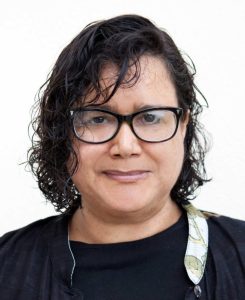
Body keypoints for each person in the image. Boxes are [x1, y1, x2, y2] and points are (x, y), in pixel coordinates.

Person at [0, 14, 244, 300]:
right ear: (61, 132)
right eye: (97, 118)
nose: (125, 146)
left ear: (183, 125)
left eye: (150, 117)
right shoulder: (7, 267)